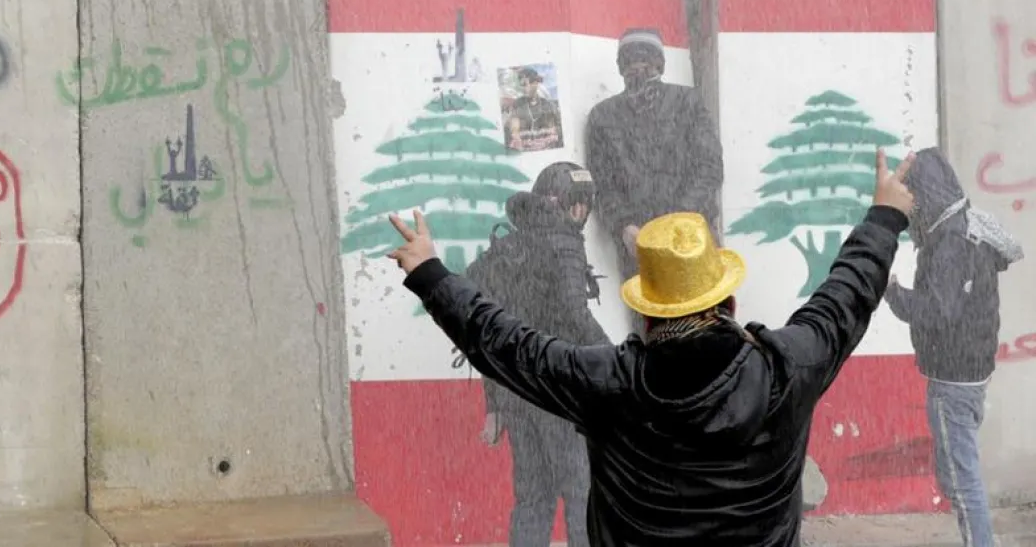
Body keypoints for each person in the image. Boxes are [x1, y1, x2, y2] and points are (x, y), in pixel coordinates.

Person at [387, 149, 916, 545]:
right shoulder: (787, 368)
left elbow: (506, 344)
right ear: (728, 300)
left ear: (646, 311)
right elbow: (844, 297)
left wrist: (431, 275)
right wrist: (884, 218)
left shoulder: (607, 384)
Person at [883, 148, 1023, 547]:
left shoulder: (951, 242)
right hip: (971, 372)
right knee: (955, 474)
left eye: (910, 197)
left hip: (953, 381)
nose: (909, 209)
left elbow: (935, 313)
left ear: (924, 194)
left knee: (962, 483)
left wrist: (892, 292)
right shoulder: (967, 226)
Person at [465, 163, 608, 547]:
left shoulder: (511, 246)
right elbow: (575, 315)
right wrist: (617, 361)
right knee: (580, 492)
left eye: (585, 204)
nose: (582, 212)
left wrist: (495, 403)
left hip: (515, 390)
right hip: (555, 389)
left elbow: (489, 329)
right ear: (563, 203)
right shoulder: (563, 242)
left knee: (533, 496)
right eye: (578, 203)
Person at [585, 28, 724, 283]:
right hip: (641, 250)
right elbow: (602, 184)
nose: (638, 68)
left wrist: (680, 218)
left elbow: (710, 166)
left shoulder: (687, 102)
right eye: (630, 61)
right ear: (620, 67)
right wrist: (624, 226)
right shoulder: (602, 116)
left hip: (693, 237)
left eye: (646, 61)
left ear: (660, 64)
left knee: (709, 305)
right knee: (651, 308)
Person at [503, 67, 563, 151]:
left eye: (530, 82)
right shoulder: (518, 104)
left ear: (536, 83)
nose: (527, 87)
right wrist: (515, 135)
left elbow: (560, 127)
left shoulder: (548, 105)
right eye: (523, 84)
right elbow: (513, 128)